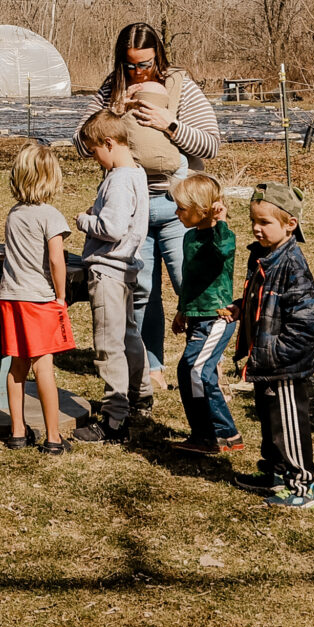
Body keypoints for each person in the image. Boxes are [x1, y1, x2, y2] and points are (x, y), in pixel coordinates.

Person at [93, 23, 223, 403]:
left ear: (158, 56)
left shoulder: (182, 87)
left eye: (145, 64)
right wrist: (113, 116)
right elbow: (81, 139)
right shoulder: (111, 88)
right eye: (130, 66)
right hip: (131, 206)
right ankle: (151, 365)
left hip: (179, 205)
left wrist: (171, 124)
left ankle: (203, 362)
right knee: (141, 290)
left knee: (193, 284)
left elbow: (212, 144)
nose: (139, 73)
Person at [237, 184, 314, 509]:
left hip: (283, 366)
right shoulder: (263, 256)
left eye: (265, 222)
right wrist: (239, 307)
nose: (257, 228)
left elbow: (304, 322)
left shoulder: (293, 266)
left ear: (290, 224)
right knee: (270, 422)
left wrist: (278, 357)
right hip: (265, 360)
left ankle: (303, 487)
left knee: (288, 425)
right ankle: (275, 473)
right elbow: (262, 302)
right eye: (253, 221)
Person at [71, 108, 149, 443]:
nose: (95, 159)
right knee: (129, 334)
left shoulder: (118, 180)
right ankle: (140, 394)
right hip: (126, 268)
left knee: (108, 344)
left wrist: (85, 220)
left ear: (108, 143)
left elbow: (113, 227)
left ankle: (114, 419)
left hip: (108, 270)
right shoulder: (137, 174)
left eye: (94, 152)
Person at [0, 142, 77, 454]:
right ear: (50, 178)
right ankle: (53, 438)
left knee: (17, 366)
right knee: (44, 367)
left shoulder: (14, 214)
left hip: (10, 298)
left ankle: (17, 431)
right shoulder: (51, 216)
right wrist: (61, 295)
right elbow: (57, 260)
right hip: (39, 301)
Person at [165, 173, 243, 458]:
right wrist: (182, 310)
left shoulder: (222, 237)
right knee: (188, 373)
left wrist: (221, 221)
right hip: (197, 317)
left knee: (199, 371)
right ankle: (203, 434)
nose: (177, 213)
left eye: (182, 208)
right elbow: (189, 278)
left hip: (216, 318)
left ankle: (224, 432)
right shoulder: (189, 237)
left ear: (202, 209)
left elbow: (224, 251)